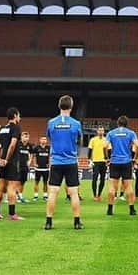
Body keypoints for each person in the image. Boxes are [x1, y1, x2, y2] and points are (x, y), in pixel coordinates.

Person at [45, 95, 84, 230]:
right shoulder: (76, 123)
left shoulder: (51, 123)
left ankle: (48, 222)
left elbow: (49, 137)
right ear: (71, 107)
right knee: (73, 193)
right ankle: (77, 222)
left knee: (53, 192)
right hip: (71, 161)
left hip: (56, 161)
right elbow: (79, 140)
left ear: (59, 106)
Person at [105, 115, 138, 216]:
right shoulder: (131, 133)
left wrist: (106, 158)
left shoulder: (111, 133)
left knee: (112, 187)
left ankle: (110, 209)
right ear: (126, 123)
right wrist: (135, 159)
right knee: (128, 186)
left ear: (118, 123)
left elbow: (104, 146)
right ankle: (132, 209)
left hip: (115, 162)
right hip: (126, 162)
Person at [0, 107, 23, 221]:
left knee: (1, 186)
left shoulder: (1, 128)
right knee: (12, 186)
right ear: (15, 116)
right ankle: (12, 214)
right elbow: (12, 144)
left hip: (1, 161)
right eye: (19, 116)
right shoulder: (16, 127)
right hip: (11, 160)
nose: (19, 118)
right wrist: (6, 159)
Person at [88, 127, 108, 201]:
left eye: (102, 130)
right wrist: (90, 160)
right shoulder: (93, 140)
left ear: (104, 131)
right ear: (97, 131)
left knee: (102, 179)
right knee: (95, 178)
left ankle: (99, 195)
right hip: (95, 161)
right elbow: (90, 151)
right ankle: (94, 195)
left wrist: (108, 160)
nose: (101, 131)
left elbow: (109, 150)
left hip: (103, 162)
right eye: (99, 130)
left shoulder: (106, 140)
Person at [31, 136, 50, 201]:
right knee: (36, 182)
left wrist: (49, 164)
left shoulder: (48, 148)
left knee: (45, 182)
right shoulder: (36, 148)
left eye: (45, 139)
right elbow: (34, 156)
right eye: (42, 139)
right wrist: (34, 163)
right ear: (40, 140)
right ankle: (35, 196)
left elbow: (50, 157)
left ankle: (45, 195)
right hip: (38, 168)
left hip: (46, 168)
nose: (44, 140)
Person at [17, 132, 32, 203]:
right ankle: (15, 196)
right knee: (16, 181)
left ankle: (20, 196)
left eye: (27, 137)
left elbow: (31, 154)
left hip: (25, 166)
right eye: (24, 137)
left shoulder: (29, 146)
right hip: (17, 166)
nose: (26, 138)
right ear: (21, 137)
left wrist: (29, 161)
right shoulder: (17, 144)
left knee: (23, 181)